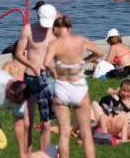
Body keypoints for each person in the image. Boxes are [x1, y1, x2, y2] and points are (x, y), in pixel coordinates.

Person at [43, 15, 103, 158]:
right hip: (78, 85)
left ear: (56, 29)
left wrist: (54, 71)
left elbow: (46, 62)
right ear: (69, 28)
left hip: (62, 85)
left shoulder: (54, 44)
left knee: (64, 133)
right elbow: (99, 52)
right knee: (86, 133)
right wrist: (84, 61)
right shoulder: (80, 40)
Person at [14, 3, 58, 153]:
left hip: (49, 79)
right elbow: (19, 53)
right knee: (27, 123)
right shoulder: (28, 29)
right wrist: (32, 65)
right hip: (31, 77)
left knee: (46, 124)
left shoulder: (57, 30)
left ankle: (44, 155)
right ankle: (27, 154)